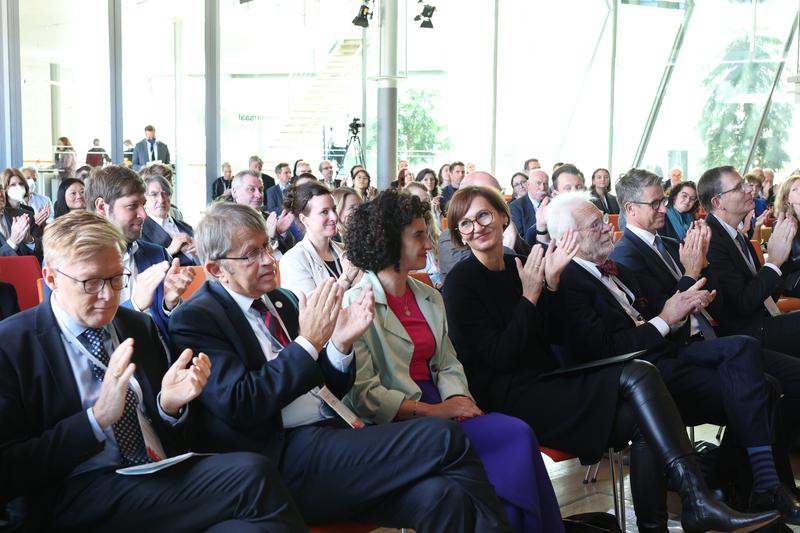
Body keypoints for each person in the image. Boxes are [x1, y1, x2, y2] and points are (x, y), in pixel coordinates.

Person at [443, 185, 779, 533]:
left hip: (548, 380)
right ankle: (698, 500)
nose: (476, 227)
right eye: (464, 224)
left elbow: (552, 336)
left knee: (644, 416)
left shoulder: (519, 263)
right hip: (509, 395)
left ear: (501, 217)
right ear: (457, 233)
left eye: (483, 215)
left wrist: (552, 285)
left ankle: (664, 521)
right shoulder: (460, 283)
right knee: (640, 373)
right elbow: (500, 358)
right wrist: (531, 296)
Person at [168, 202, 513, 532]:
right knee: (442, 435)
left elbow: (327, 384)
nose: (267, 260)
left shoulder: (280, 301)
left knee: (442, 496)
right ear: (215, 269)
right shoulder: (198, 318)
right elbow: (243, 404)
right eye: (252, 254)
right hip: (282, 460)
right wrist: (308, 343)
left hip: (332, 439)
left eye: (267, 247)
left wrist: (340, 346)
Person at [0, 210, 306, 532]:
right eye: (91, 283)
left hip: (156, 475)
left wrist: (168, 406)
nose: (108, 296)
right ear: (51, 278)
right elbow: (9, 469)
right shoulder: (12, 345)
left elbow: (174, 432)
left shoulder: (136, 325)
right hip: (75, 492)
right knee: (252, 474)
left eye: (117, 279)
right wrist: (96, 419)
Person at [552, 189, 800, 522]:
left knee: (754, 368)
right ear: (568, 237)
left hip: (666, 355)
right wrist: (671, 313)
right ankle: (752, 487)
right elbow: (610, 347)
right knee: (756, 376)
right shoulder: (568, 281)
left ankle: (749, 490)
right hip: (630, 375)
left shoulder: (616, 271)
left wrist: (686, 306)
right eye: (596, 224)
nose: (609, 227)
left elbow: (662, 316)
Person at [343, 190, 562, 532]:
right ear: (388, 243)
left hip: (443, 404)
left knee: (517, 434)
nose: (430, 244)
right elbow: (365, 393)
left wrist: (457, 398)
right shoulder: (357, 304)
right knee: (512, 437)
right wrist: (435, 411)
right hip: (401, 421)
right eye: (418, 236)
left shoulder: (428, 295)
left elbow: (447, 362)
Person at [86, 165, 195, 344]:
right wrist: (134, 305)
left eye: (143, 205)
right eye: (132, 206)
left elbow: (177, 334)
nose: (144, 215)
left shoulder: (157, 255)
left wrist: (170, 304)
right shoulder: (75, 264)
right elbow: (86, 338)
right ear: (101, 207)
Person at [700, 166, 800, 357]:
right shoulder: (711, 240)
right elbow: (742, 305)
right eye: (739, 187)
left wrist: (783, 257)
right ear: (718, 201)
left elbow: (765, 294)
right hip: (743, 333)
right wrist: (774, 263)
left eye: (745, 183)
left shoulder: (735, 234)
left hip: (762, 320)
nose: (749, 189)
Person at [279, 182, 360, 297]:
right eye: (324, 212)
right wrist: (346, 278)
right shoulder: (293, 260)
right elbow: (312, 311)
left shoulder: (344, 249)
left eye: (334, 209)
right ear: (304, 219)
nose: (334, 217)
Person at [230, 170, 295, 256]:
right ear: (235, 192)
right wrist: (269, 237)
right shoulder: (226, 223)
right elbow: (243, 257)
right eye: (251, 189)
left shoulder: (270, 218)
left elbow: (291, 251)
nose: (259, 195)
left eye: (260, 190)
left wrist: (282, 233)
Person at [141, 175, 199, 266]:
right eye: (154, 194)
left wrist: (200, 252)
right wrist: (169, 251)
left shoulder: (186, 227)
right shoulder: (140, 231)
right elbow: (142, 266)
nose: (161, 200)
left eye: (165, 194)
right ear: (144, 199)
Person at [523, 164, 586, 245]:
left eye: (579, 187)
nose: (574, 192)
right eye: (568, 188)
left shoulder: (596, 215)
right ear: (555, 194)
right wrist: (542, 231)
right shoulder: (538, 230)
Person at [405, 182, 443, 287]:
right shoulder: (403, 238)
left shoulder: (436, 235)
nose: (423, 207)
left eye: (426, 202)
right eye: (417, 202)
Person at [0, 168, 41, 260]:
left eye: (0, 189)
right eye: (13, 185)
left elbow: (43, 250)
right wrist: (12, 243)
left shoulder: (25, 215)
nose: (0, 194)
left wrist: (29, 241)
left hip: (28, 272)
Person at [510, 169, 548, 240]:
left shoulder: (552, 204)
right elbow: (520, 240)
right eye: (538, 183)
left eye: (546, 184)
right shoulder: (516, 207)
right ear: (528, 184)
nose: (543, 188)